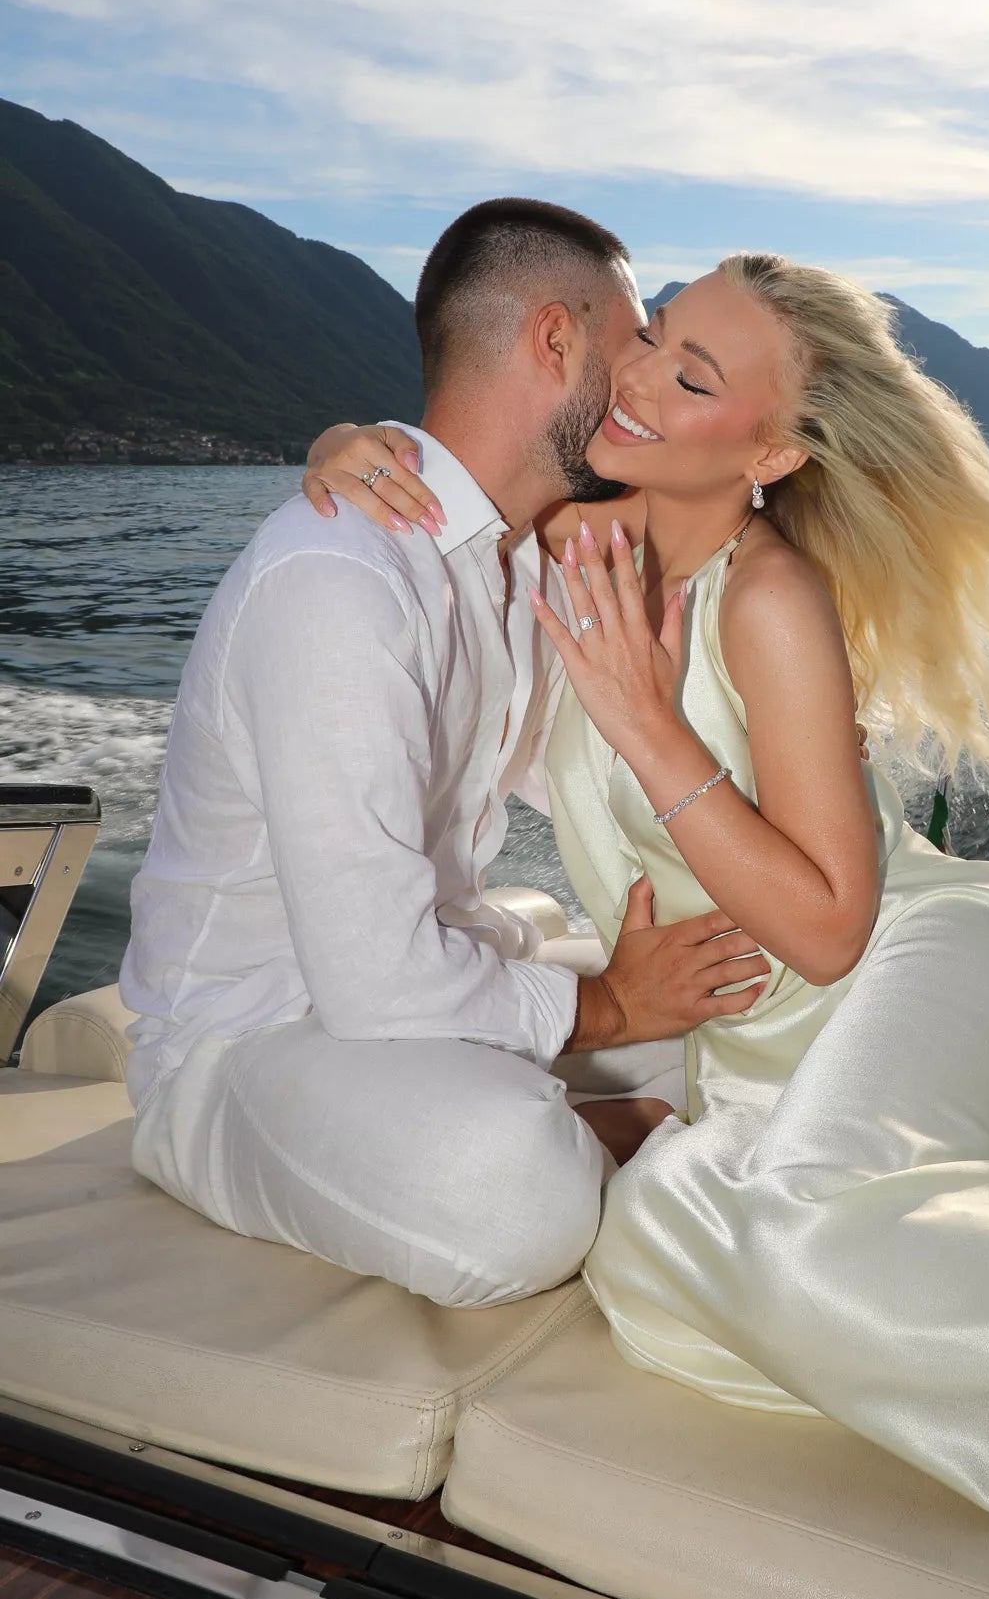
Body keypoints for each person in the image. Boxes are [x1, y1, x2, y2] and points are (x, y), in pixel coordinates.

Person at [312, 254, 989, 1599]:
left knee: (783, 1237)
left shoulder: (770, 599)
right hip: (762, 1061)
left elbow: (826, 929)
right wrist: (346, 443)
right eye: (655, 336)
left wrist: (644, 719)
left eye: (693, 376)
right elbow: (445, 490)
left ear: (770, 452)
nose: (639, 376)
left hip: (934, 959)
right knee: (656, 1249)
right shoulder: (568, 539)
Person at [119, 200, 769, 1309]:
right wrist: (612, 1007)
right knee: (512, 1191)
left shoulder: (521, 564)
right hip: (255, 1040)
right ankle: (599, 1133)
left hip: (430, 982)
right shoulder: (341, 578)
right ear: (555, 339)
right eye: (633, 343)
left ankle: (615, 1125)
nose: (643, 381)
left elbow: (592, 782)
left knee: (763, 1030)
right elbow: (370, 979)